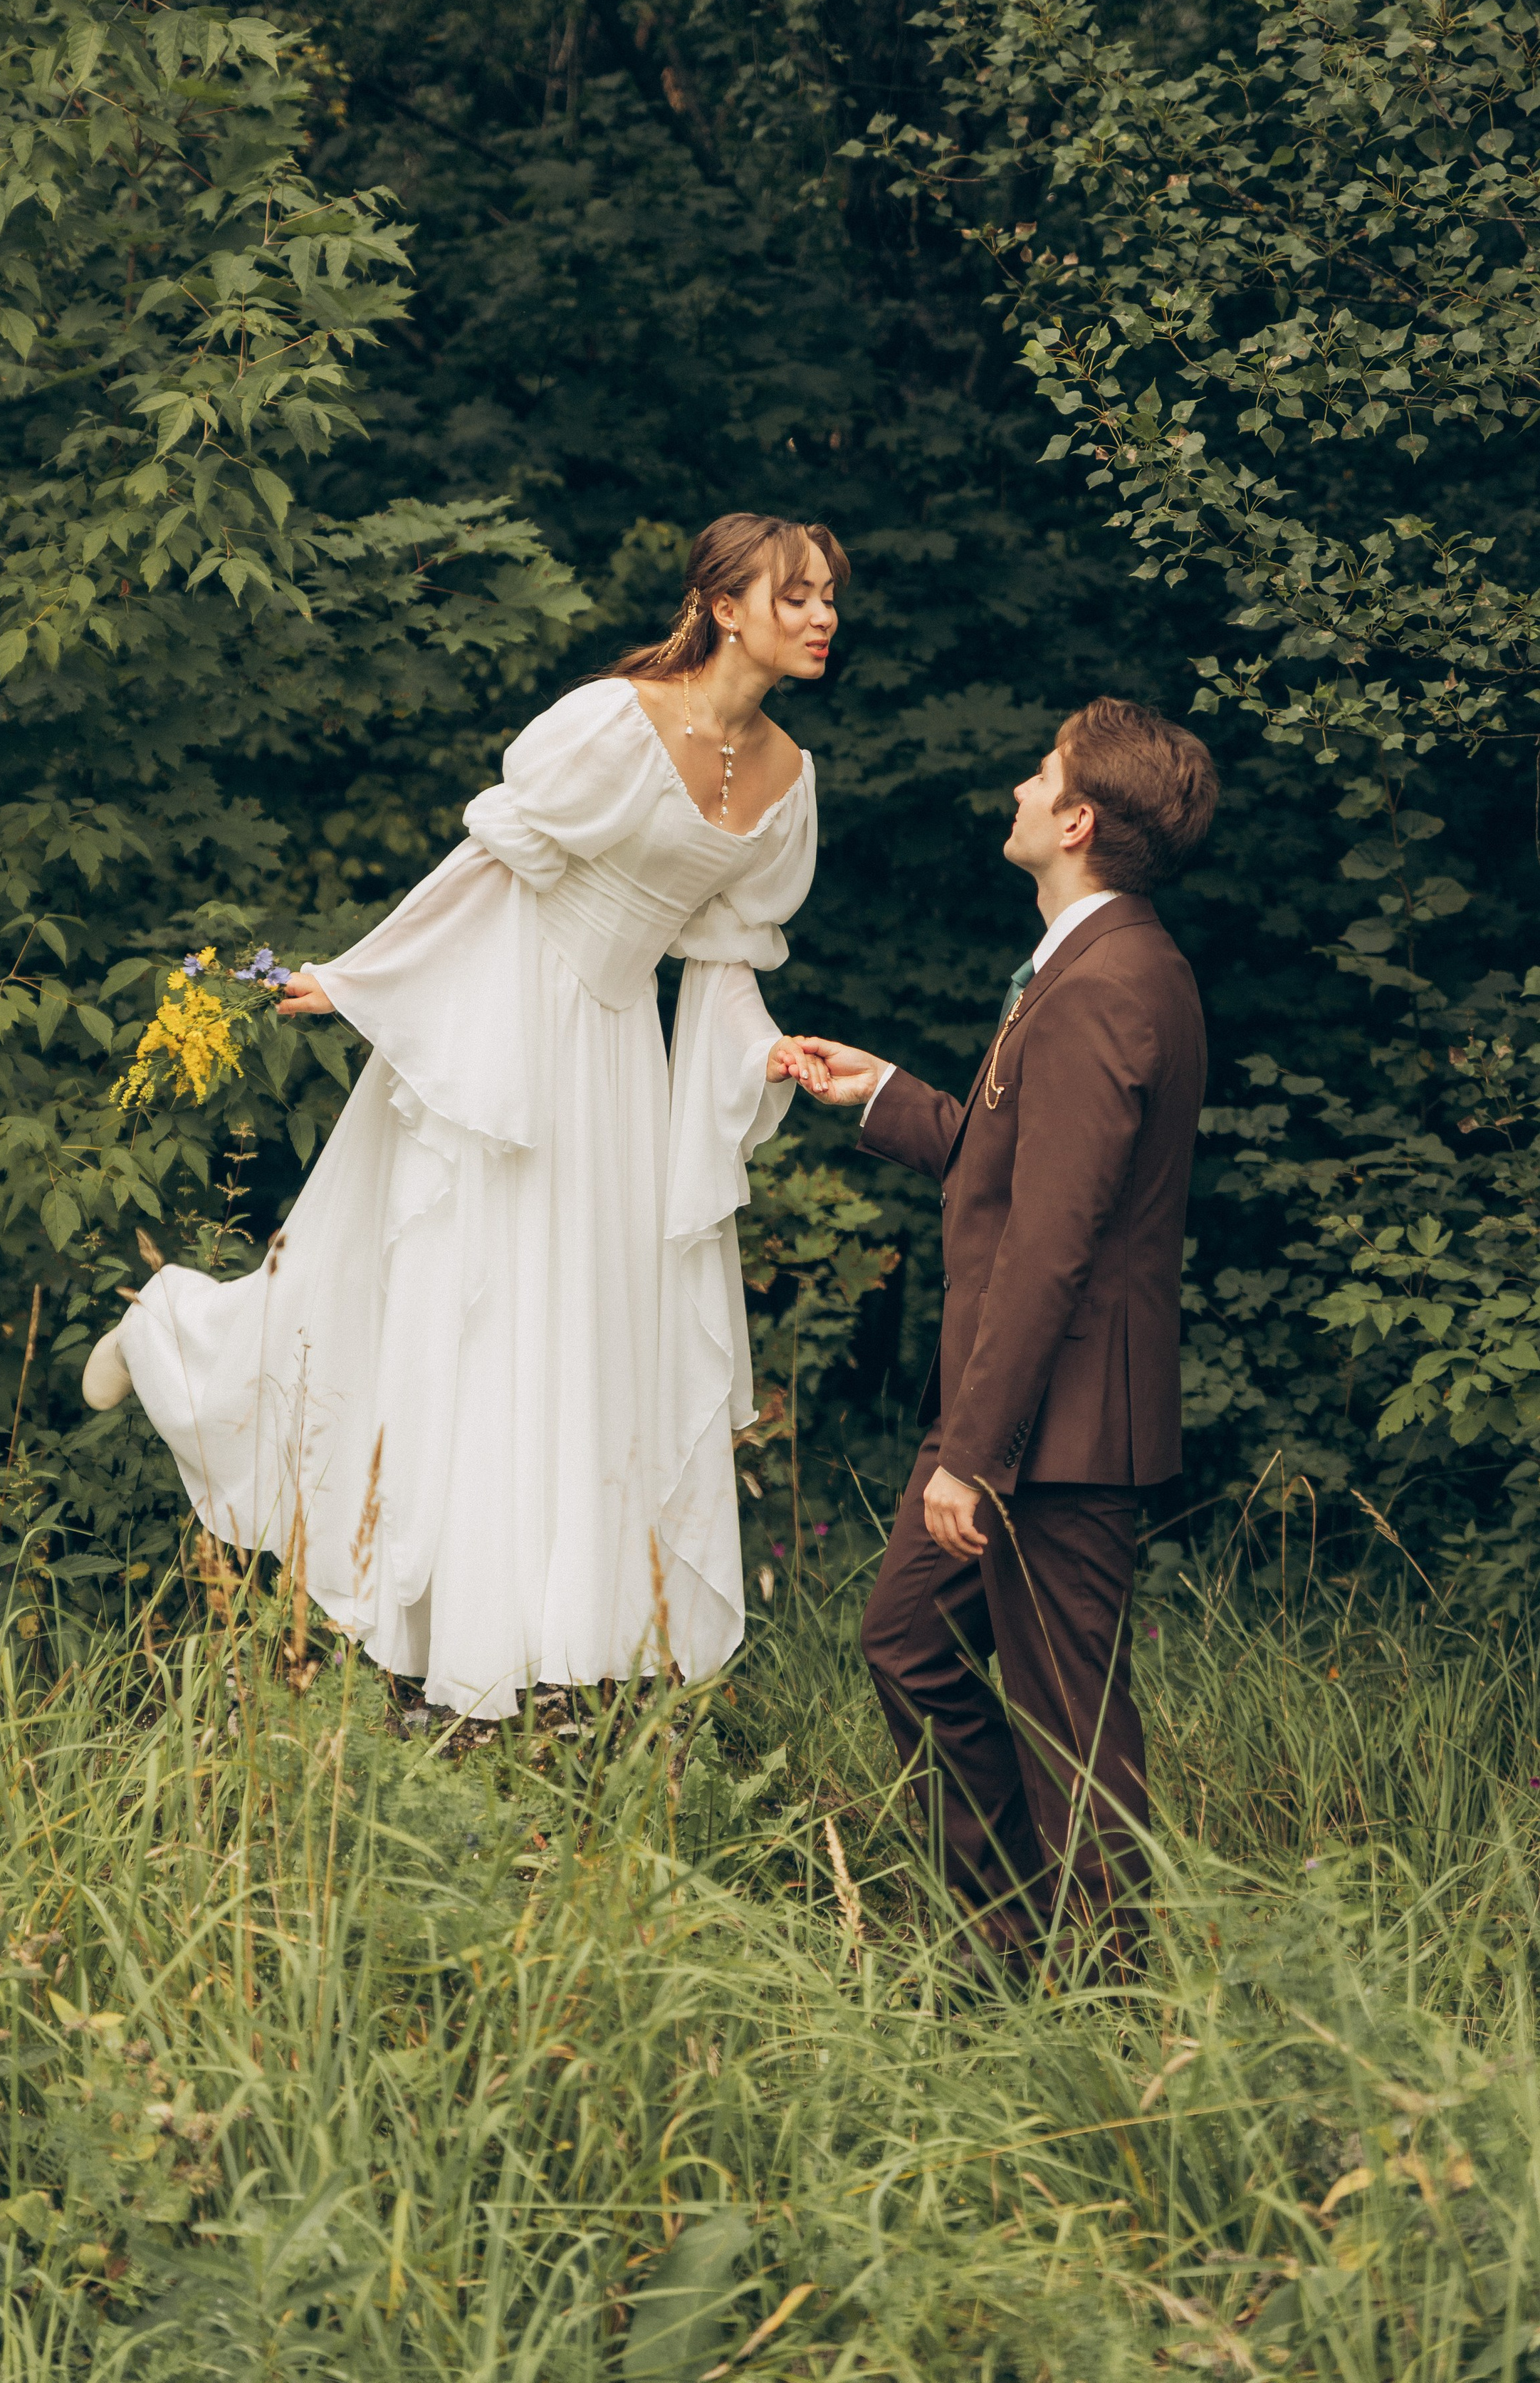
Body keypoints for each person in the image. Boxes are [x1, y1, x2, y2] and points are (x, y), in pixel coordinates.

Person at [81, 515, 844, 1718]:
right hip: (513, 1019)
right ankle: (178, 1338)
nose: (819, 618)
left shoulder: (790, 777)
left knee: (581, 1332)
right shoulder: (612, 721)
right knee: (460, 1307)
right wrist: (360, 975)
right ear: (723, 606)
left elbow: (721, 960)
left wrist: (762, 1057)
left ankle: (542, 1640)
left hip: (620, 1065)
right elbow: (495, 866)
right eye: (795, 596)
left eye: (829, 601)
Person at [799, 697, 1217, 1954]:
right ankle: (1000, 1944)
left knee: (1071, 1728)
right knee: (911, 1642)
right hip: (1030, 1415)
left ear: (1079, 819)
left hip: (1056, 1429)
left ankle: (1111, 2012)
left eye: (1040, 778)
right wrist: (880, 1093)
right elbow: (1018, 1162)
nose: (1019, 793)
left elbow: (1054, 1242)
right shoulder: (1093, 966)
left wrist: (975, 1452)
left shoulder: (1108, 985)